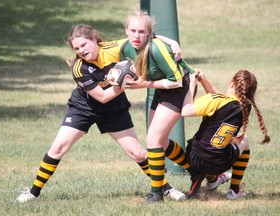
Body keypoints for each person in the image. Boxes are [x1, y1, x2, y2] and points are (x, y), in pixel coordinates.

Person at [16, 24, 186, 203]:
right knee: (58, 148)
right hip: (83, 108)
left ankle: (166, 189)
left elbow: (145, 40)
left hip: (114, 110)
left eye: (84, 45)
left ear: (94, 39)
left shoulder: (113, 49)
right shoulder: (79, 68)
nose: (81, 50)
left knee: (138, 153)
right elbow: (103, 97)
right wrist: (126, 82)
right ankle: (33, 192)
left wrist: (173, 42)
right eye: (76, 48)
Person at [117, 10, 231, 202]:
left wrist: (145, 84)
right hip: (162, 87)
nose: (137, 36)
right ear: (126, 31)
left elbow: (176, 81)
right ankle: (195, 171)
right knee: (159, 142)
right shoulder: (126, 48)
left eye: (142, 32)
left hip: (180, 87)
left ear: (149, 33)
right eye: (133, 30)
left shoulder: (156, 48)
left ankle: (156, 194)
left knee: (153, 140)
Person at [181, 69, 270, 199]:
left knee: (205, 144)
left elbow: (185, 111)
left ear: (232, 85)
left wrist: (192, 84)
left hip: (194, 158)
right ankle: (234, 191)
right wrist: (205, 81)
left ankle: (211, 179)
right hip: (220, 164)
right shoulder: (246, 107)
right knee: (244, 140)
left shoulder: (218, 100)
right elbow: (223, 100)